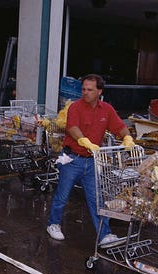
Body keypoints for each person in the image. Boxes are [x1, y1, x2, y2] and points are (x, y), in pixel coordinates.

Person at [46, 74, 135, 247]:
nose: (85, 93)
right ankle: (53, 224)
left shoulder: (107, 109)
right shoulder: (75, 107)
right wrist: (83, 140)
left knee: (96, 199)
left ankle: (104, 235)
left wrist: (127, 138)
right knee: (62, 195)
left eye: (90, 90)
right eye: (83, 89)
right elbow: (72, 127)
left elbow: (120, 127)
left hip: (92, 160)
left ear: (99, 91)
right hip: (72, 158)